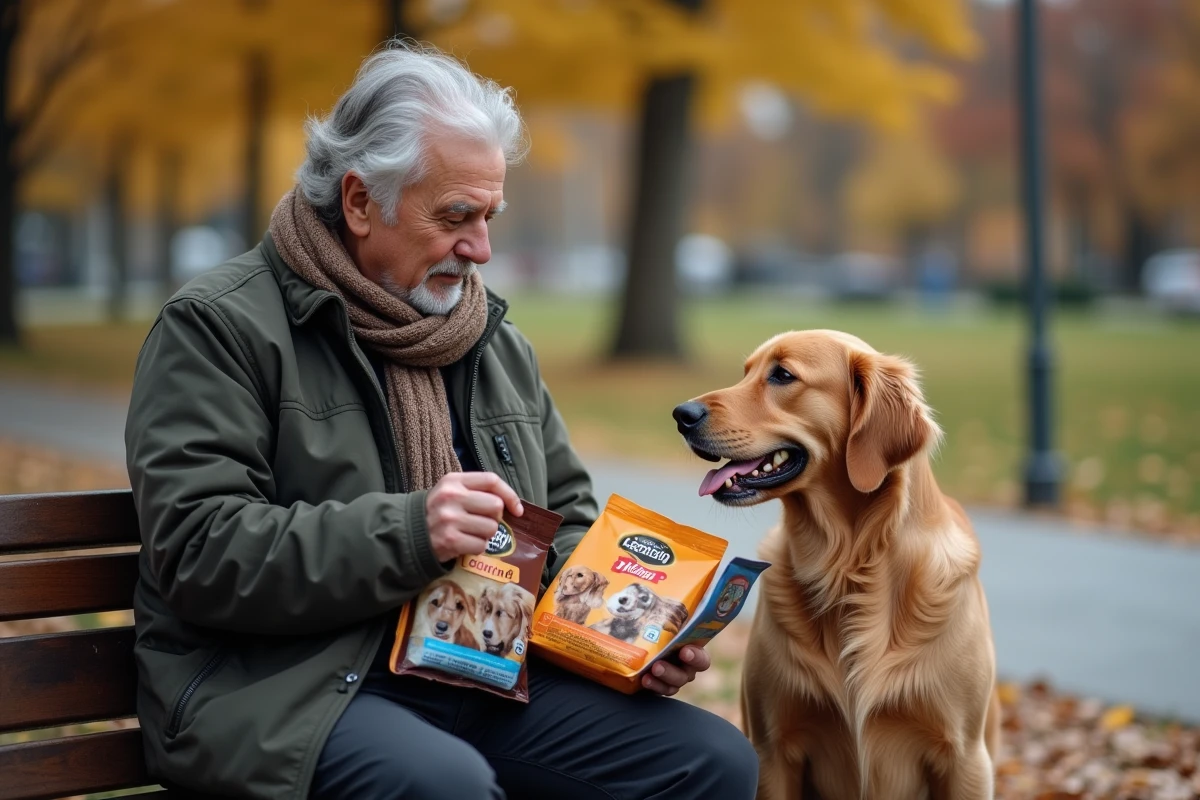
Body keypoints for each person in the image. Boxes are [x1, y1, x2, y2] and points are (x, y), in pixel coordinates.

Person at [125, 42, 758, 800]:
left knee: (711, 762)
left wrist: (628, 638)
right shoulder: (217, 328)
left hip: (481, 672)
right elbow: (199, 550)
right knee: (442, 785)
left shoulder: (489, 337)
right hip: (287, 689)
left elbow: (565, 529)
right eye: (456, 216)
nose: (481, 248)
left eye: (489, 216)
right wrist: (409, 533)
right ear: (359, 202)